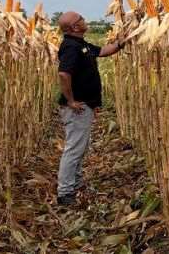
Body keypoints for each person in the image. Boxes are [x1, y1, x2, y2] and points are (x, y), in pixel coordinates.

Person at [56, 11, 124, 206]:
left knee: (80, 147)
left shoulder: (82, 45)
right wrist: (71, 100)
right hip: (77, 107)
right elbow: (63, 74)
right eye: (81, 19)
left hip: (84, 106)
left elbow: (102, 51)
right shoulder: (70, 47)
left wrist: (121, 42)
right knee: (74, 149)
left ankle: (74, 184)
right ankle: (65, 193)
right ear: (74, 27)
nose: (85, 20)